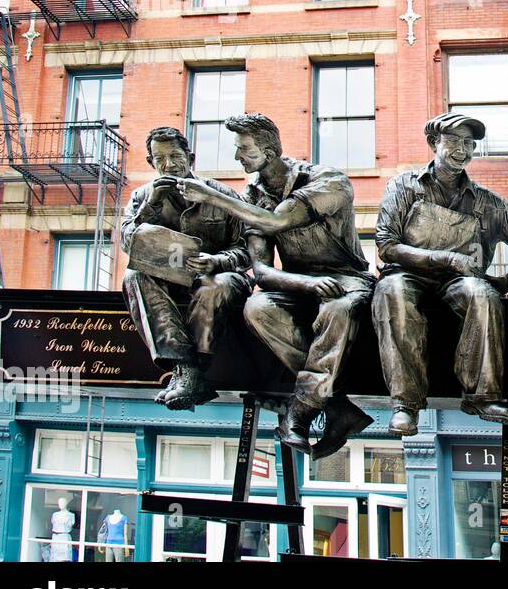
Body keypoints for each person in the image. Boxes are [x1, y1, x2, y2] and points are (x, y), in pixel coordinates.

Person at [178, 113, 373, 457]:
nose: (237, 157)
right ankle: (334, 405)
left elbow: (278, 219)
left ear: (268, 152)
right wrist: (306, 283)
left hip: (347, 277)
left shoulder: (328, 181)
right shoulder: (252, 196)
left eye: (244, 150)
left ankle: (298, 414)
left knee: (339, 308)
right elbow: (263, 273)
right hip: (296, 283)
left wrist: (212, 196)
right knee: (257, 306)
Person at [373, 112, 508, 436]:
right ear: (433, 143)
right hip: (408, 273)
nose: (462, 149)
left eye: (469, 143)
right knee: (391, 293)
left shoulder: (488, 203)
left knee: (482, 295)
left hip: (460, 282)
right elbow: (386, 245)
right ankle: (405, 403)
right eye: (453, 141)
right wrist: (448, 258)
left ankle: (481, 395)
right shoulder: (404, 185)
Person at [121, 127, 252, 410]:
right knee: (134, 274)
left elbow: (248, 252)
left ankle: (194, 371)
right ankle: (186, 369)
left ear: (190, 157)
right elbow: (127, 244)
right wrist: (150, 206)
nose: (168, 165)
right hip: (168, 279)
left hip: (220, 276)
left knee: (214, 286)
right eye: (160, 159)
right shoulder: (141, 197)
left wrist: (216, 261)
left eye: (175, 156)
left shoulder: (221, 194)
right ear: (150, 163)